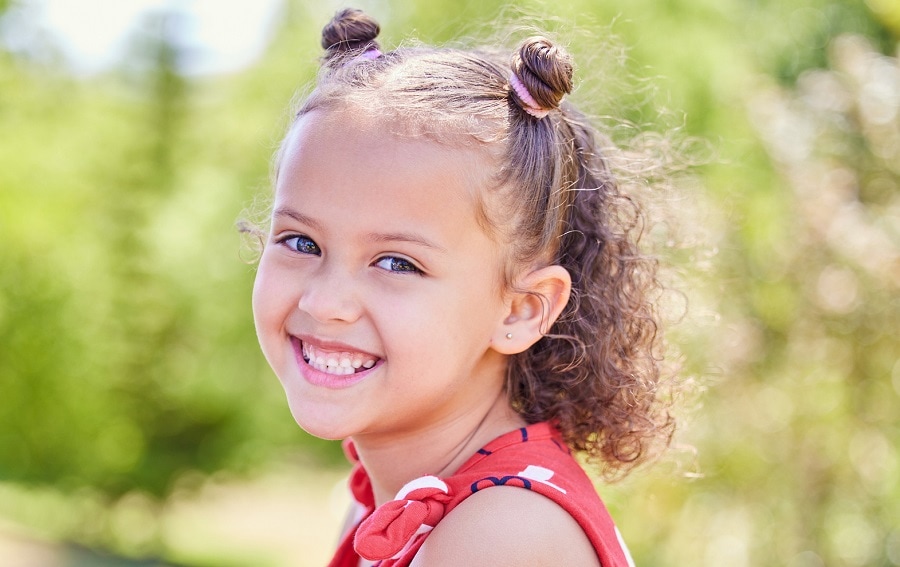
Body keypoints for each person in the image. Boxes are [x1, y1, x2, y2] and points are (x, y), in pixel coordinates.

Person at [251, 7, 675, 566]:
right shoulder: (390, 504)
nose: (324, 303)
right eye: (302, 243)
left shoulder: (501, 536)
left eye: (397, 263)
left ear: (522, 310)